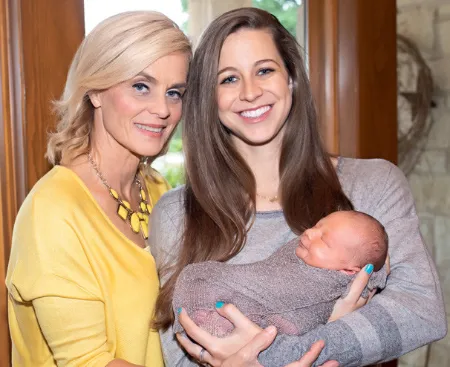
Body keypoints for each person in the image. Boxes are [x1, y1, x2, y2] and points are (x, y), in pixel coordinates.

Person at [148, 7, 446, 367]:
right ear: (209, 99)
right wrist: (333, 325)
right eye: (228, 79)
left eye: (264, 70)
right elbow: (177, 356)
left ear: (291, 78)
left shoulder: (373, 184)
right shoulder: (177, 212)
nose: (250, 92)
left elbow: (421, 311)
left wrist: (278, 354)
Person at [6, 11, 191, 367]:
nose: (162, 109)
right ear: (95, 92)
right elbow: (87, 361)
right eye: (141, 86)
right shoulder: (52, 211)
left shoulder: (157, 189)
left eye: (174, 93)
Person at [171, 211, 388, 337]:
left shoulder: (333, 282)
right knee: (201, 277)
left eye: (324, 240)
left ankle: (217, 323)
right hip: (250, 298)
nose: (310, 233)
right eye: (317, 226)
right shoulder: (298, 252)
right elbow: (266, 275)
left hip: (285, 321)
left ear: (349, 271)